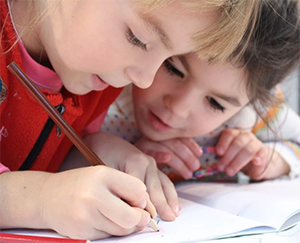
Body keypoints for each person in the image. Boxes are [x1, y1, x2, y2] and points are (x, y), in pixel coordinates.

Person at [0, 0, 261, 240]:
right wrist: (42, 200)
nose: (145, 79)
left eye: (167, 59)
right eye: (138, 39)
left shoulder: (97, 80)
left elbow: (33, 162)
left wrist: (91, 154)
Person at [99, 0, 300, 182]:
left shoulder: (252, 115)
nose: (178, 108)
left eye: (215, 103)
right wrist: (120, 158)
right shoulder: (103, 86)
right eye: (173, 69)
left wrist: (272, 160)